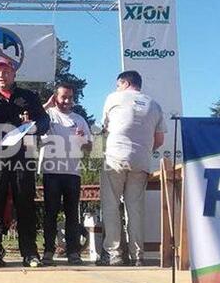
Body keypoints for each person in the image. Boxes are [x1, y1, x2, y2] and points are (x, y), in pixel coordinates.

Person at [0, 57, 50, 268]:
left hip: (23, 156)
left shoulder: (29, 97)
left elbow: (45, 121)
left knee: (25, 203)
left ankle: (30, 253)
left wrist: (33, 127)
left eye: (6, 71)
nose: (1, 75)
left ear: (14, 74)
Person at [100, 70, 166, 266]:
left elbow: (105, 127)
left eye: (118, 84)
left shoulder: (114, 98)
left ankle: (114, 254)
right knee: (135, 209)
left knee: (111, 206)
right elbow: (160, 140)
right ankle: (138, 256)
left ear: (125, 82)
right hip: (141, 161)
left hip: (115, 158)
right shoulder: (154, 105)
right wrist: (143, 149)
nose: (117, 88)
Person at [39, 83, 92, 266]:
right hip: (51, 172)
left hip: (72, 173)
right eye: (63, 97)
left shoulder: (79, 119)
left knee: (72, 215)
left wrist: (82, 139)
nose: (67, 101)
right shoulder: (48, 115)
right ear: (56, 98)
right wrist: (46, 105)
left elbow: (89, 148)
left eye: (70, 97)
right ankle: (48, 251)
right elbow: (31, 119)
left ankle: (73, 252)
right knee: (50, 213)